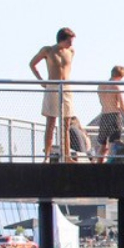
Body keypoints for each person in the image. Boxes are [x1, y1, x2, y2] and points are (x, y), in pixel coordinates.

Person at [28, 27, 77, 162]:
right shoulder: (48, 50)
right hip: (52, 87)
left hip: (66, 87)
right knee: (51, 122)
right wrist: (41, 81)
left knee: (66, 123)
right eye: (69, 41)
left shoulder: (71, 51)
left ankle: (67, 156)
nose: (71, 44)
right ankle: (47, 156)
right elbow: (32, 64)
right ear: (62, 39)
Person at [96, 66, 124, 160]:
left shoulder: (100, 86)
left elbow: (102, 102)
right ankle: (110, 165)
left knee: (102, 145)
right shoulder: (116, 86)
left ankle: (98, 165)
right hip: (114, 116)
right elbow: (122, 106)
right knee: (113, 145)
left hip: (104, 116)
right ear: (120, 77)